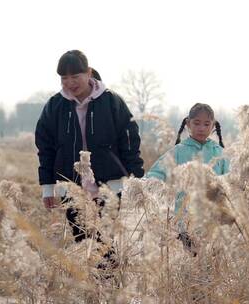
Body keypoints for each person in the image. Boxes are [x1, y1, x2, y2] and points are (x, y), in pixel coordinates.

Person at [35, 50, 144, 247]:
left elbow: (129, 141)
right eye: (64, 78)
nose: (70, 82)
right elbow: (46, 148)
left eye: (75, 76)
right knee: (83, 244)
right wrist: (48, 187)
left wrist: (136, 180)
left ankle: (110, 279)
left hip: (110, 186)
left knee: (107, 243)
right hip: (71, 185)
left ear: (88, 73)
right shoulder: (55, 106)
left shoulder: (111, 101)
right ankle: (91, 279)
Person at [146, 103, 229, 255]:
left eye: (206, 124)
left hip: (214, 221)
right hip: (186, 221)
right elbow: (156, 173)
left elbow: (232, 180)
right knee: (192, 262)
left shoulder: (220, 153)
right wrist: (148, 186)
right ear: (188, 124)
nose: (201, 128)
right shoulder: (178, 151)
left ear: (213, 126)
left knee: (213, 264)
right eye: (196, 123)